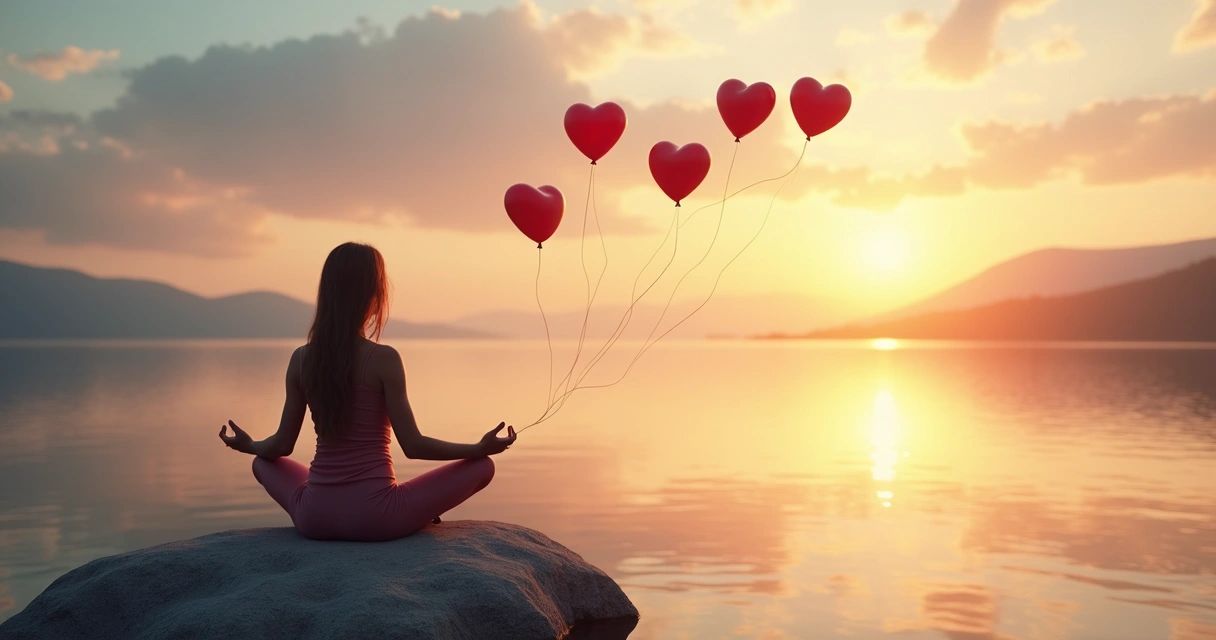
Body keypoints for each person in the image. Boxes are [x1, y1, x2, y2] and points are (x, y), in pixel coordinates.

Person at [218, 242, 516, 541]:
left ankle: (353, 504)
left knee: (262, 462)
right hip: (378, 519)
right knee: (483, 467)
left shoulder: (301, 359)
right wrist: (478, 448)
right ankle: (415, 512)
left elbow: (281, 446)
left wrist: (250, 445)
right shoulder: (384, 359)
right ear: (372, 296)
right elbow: (413, 446)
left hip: (314, 517)